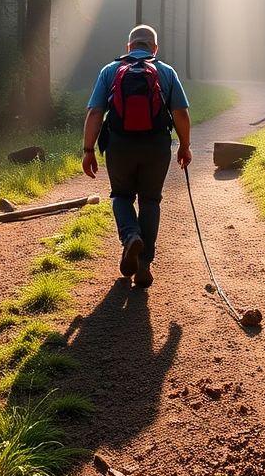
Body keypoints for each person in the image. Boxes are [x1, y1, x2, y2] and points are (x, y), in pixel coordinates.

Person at [82, 25, 191, 288]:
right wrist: (184, 146)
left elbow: (96, 113)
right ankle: (144, 265)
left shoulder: (110, 71)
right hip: (156, 145)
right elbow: (181, 114)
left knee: (121, 196)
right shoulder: (165, 72)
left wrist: (88, 150)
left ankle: (130, 236)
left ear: (128, 47)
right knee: (150, 201)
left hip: (120, 145)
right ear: (155, 48)